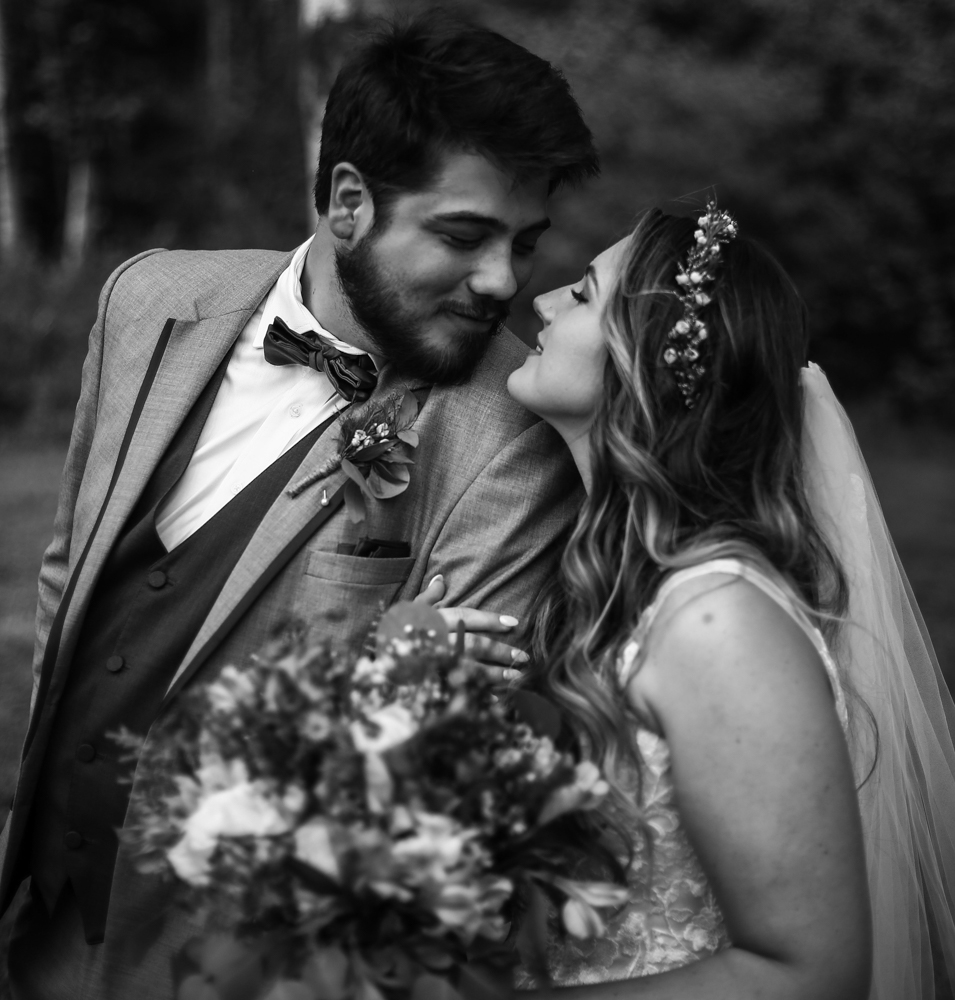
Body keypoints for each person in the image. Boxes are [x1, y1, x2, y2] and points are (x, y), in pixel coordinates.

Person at [0, 15, 598, 999]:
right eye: (463, 235)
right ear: (350, 202)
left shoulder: (514, 438)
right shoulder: (149, 298)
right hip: (41, 914)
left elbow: (440, 755)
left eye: (523, 244)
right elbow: (73, 568)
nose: (502, 282)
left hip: (242, 962)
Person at [433, 204, 955, 997]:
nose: (537, 302)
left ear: (641, 359)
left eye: (580, 295)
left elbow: (809, 974)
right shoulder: (604, 584)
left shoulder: (718, 621)